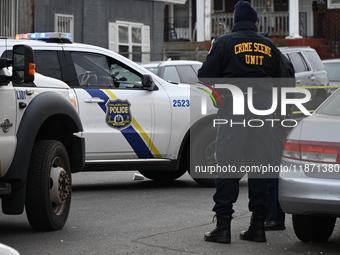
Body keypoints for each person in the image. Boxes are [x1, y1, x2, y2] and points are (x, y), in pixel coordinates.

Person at [197, 1, 287, 244]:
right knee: (260, 167)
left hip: (234, 110)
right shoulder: (269, 45)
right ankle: (257, 226)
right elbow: (283, 80)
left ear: (235, 22)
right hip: (263, 113)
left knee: (227, 165)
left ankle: (223, 228)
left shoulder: (224, 43)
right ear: (256, 22)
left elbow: (204, 75)